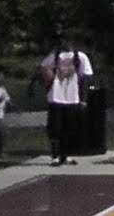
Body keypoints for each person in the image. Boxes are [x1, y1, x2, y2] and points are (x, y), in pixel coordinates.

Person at [40, 37, 93, 167]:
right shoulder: (54, 56)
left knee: (70, 128)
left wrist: (83, 99)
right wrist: (48, 77)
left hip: (72, 97)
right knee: (55, 128)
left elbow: (85, 78)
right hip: (55, 97)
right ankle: (55, 156)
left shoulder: (80, 57)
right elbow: (43, 67)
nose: (66, 44)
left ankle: (66, 154)